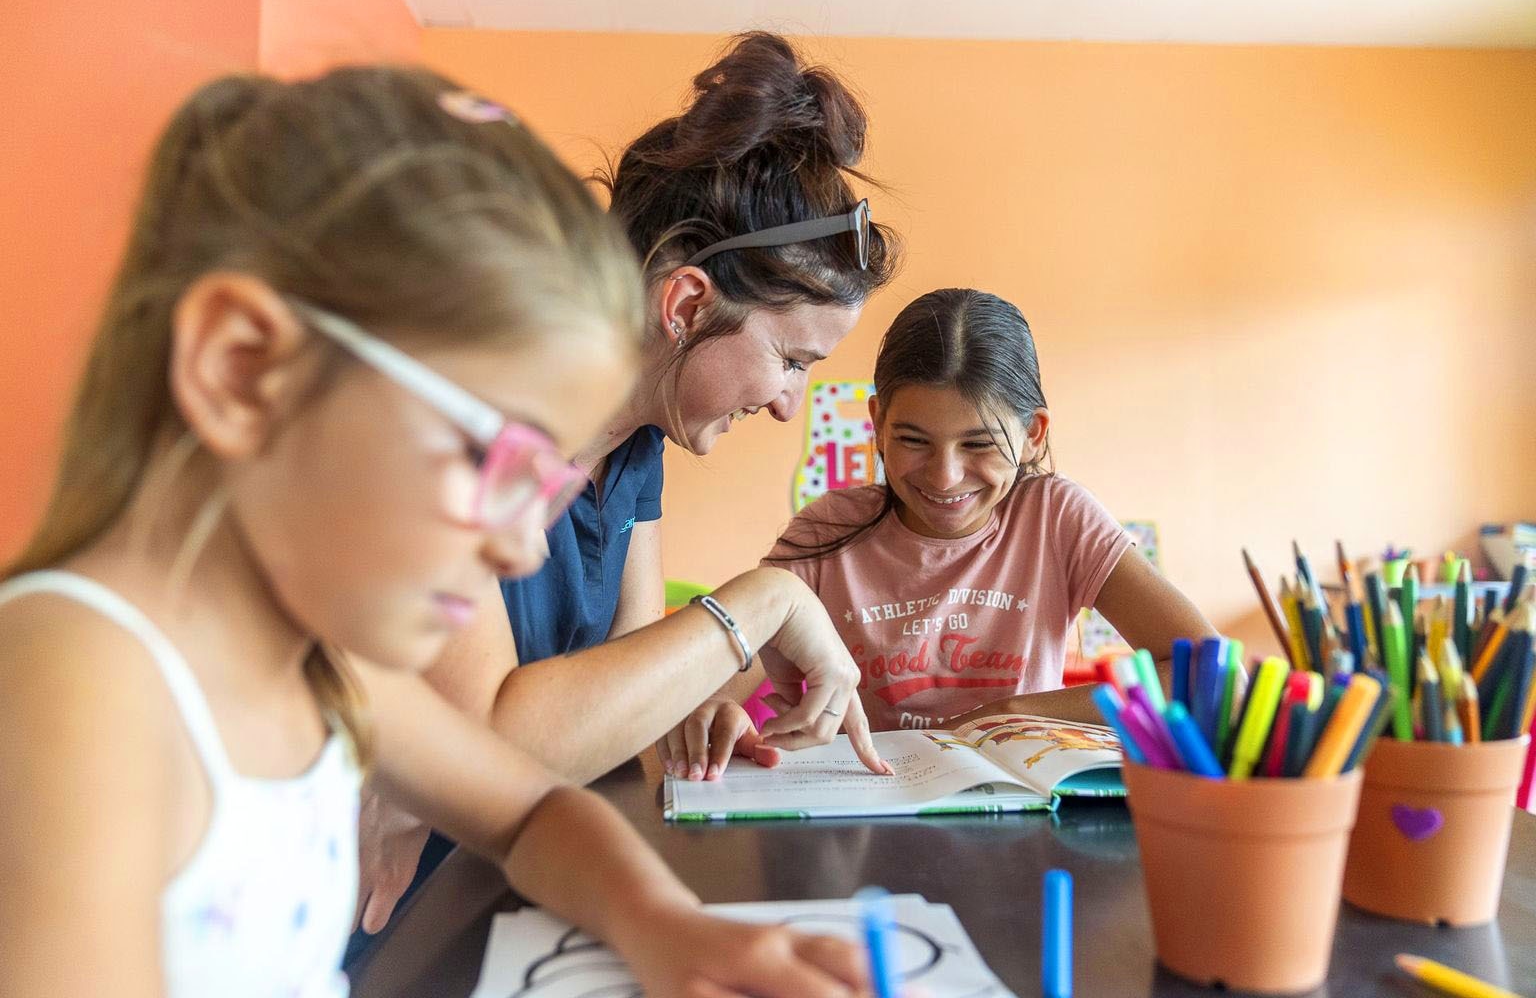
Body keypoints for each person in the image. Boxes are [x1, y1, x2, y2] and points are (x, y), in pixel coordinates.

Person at [0, 66, 880, 998]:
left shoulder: (325, 668)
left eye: (549, 481)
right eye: (502, 463)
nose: (527, 547)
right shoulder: (81, 682)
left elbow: (533, 812)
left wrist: (665, 925)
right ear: (244, 370)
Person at [353, 31, 900, 937]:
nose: (785, 407)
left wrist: (694, 708)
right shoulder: (476, 416)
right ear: (686, 304)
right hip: (391, 911)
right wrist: (761, 604)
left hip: (535, 884)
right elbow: (492, 743)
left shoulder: (640, 447)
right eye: (792, 361)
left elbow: (620, 685)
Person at [661, 288, 1217, 774]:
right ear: (877, 424)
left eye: (977, 444)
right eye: (913, 440)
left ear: (1033, 435)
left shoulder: (1056, 517)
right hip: (881, 803)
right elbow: (715, 679)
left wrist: (1008, 713)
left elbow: (1206, 674)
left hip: (1024, 804)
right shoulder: (827, 530)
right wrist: (715, 709)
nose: (945, 476)